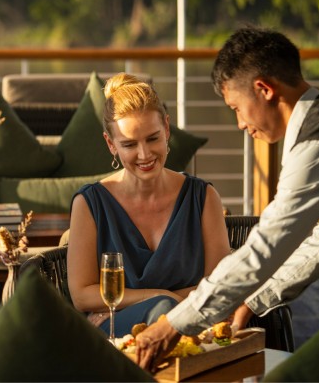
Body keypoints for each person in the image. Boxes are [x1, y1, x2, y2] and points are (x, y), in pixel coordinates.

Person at [136, 26, 319, 370]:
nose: (239, 124)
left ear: (264, 89)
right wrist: (253, 299)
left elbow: (266, 246)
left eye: (236, 107)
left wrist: (174, 324)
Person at [67, 73, 230, 338]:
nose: (144, 155)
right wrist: (159, 297)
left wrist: (166, 300)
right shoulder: (89, 203)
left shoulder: (204, 197)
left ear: (167, 129)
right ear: (111, 144)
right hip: (117, 337)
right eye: (129, 144)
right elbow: (82, 295)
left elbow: (219, 286)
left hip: (193, 330)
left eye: (153, 138)